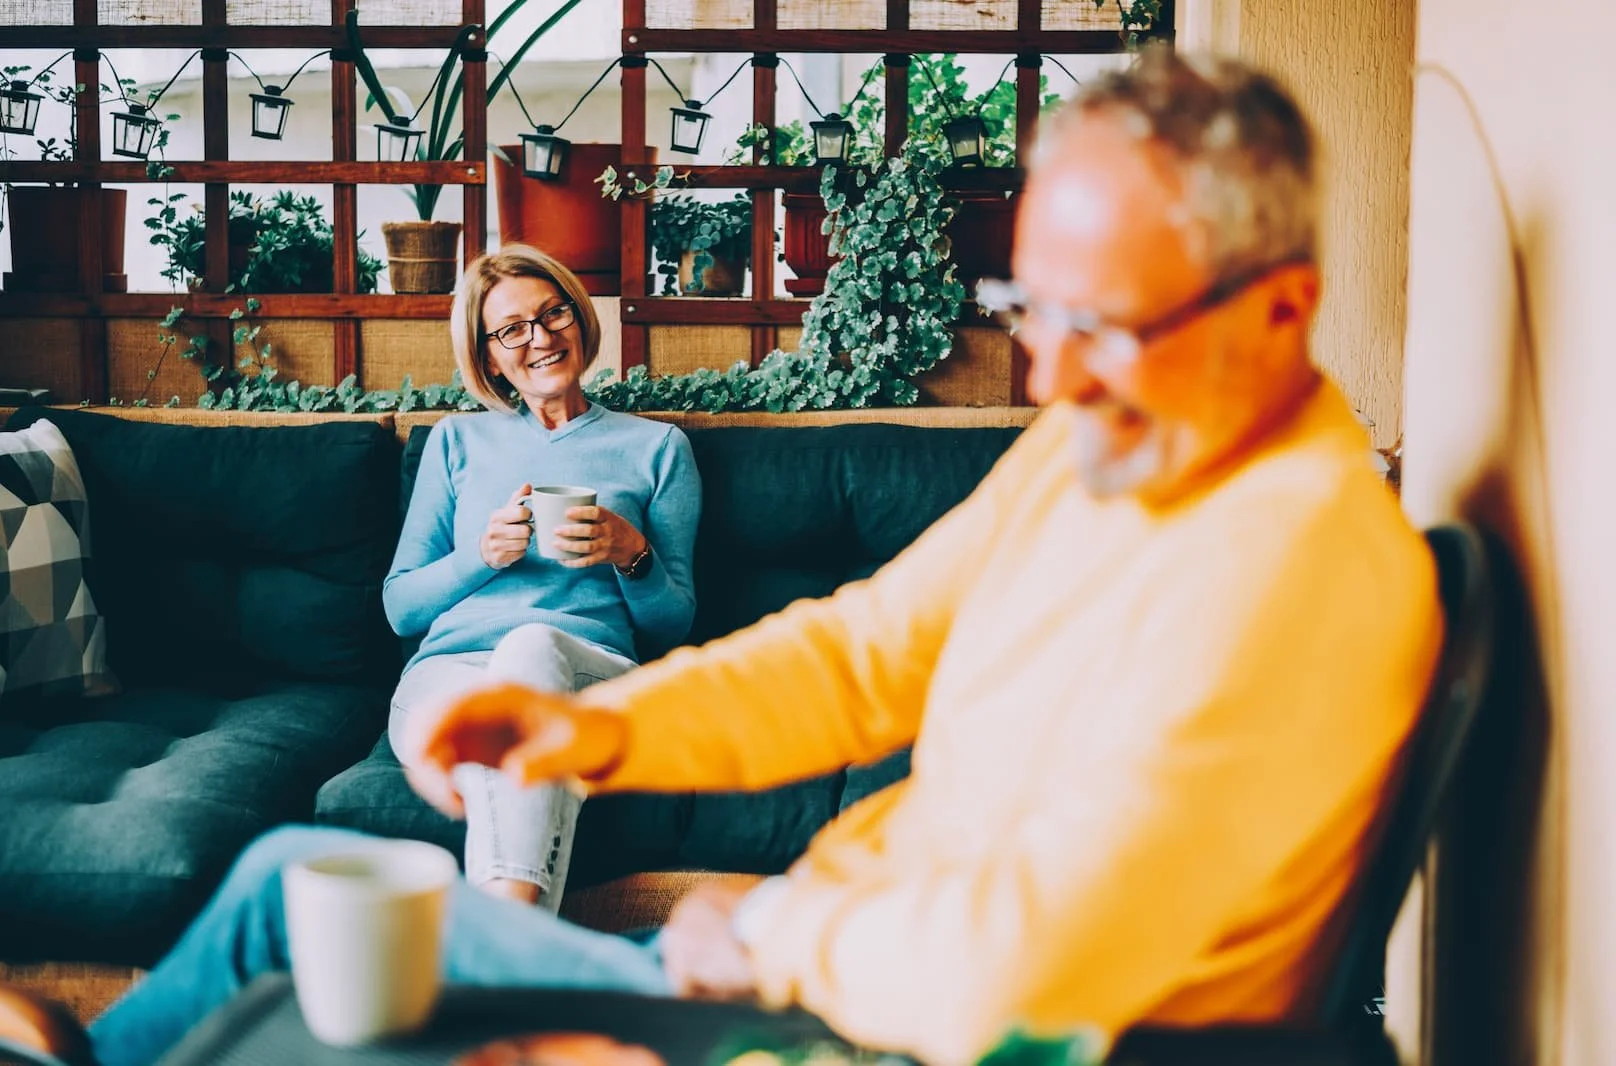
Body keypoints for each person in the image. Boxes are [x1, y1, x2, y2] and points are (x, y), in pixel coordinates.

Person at [48, 48, 1442, 1066]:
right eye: (1033, 306)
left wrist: (768, 941)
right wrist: (589, 728)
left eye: (1110, 321)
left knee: (293, 927)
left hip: (887, 1020)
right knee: (283, 905)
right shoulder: (1110, 457)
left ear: (1284, 308)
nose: (1051, 369)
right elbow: (858, 649)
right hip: (847, 965)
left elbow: (1029, 958)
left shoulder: (1293, 567)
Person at [382, 245, 700, 910]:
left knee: (531, 647)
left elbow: (673, 624)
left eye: (553, 314)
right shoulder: (455, 441)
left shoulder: (656, 447)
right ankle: (515, 949)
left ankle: (501, 954)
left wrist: (630, 552)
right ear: (490, 356)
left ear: (579, 320)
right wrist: (481, 555)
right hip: (450, 677)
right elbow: (401, 609)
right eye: (512, 329)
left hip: (590, 672)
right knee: (509, 747)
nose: (540, 338)